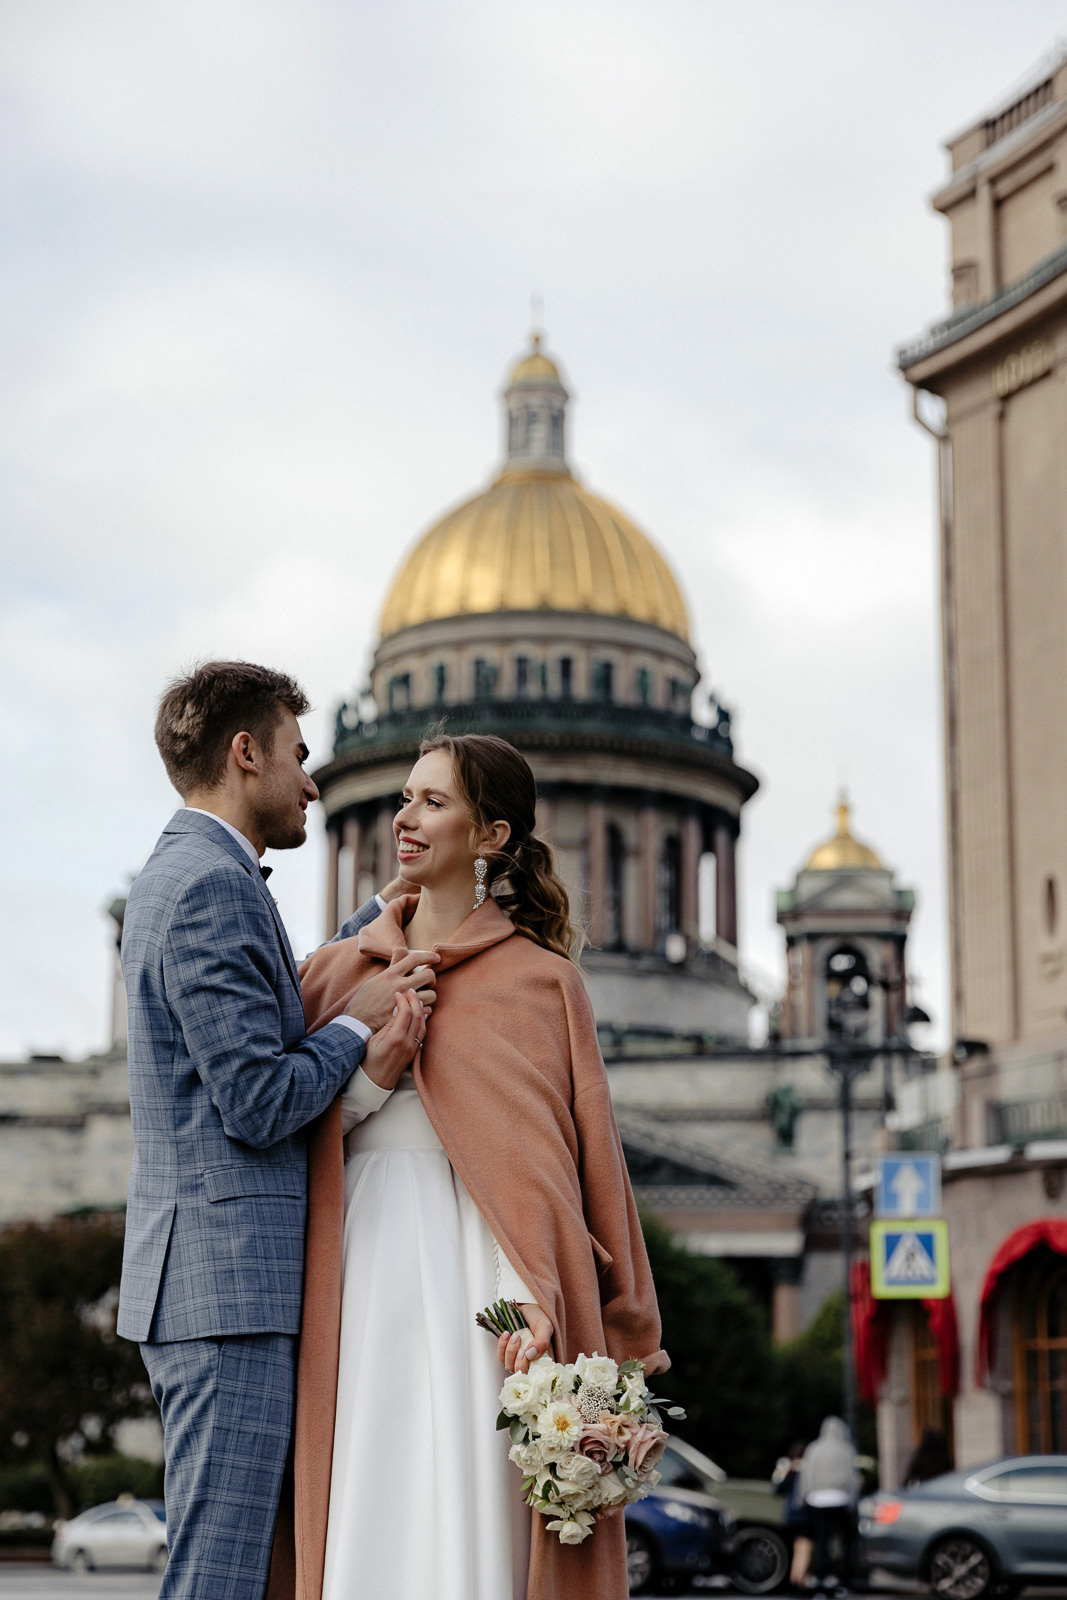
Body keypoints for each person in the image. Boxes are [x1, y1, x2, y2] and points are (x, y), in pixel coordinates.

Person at [279, 733, 668, 1600]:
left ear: (490, 836)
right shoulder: (333, 974)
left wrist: (546, 1303)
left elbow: (561, 1170)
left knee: (469, 1494)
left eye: (433, 801)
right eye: (405, 798)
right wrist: (374, 1080)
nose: (405, 818)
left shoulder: (541, 983)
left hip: (483, 1292)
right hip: (361, 1266)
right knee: (369, 1480)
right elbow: (288, 1137)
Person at [117, 661, 437, 1600]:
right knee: (222, 1576)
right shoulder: (208, 888)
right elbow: (257, 1096)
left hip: (217, 1287)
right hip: (228, 1296)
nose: (312, 784)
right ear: (244, 753)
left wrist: (370, 921)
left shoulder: (199, 873)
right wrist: (360, 1017)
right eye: (300, 758)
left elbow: (261, 1007)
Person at [797, 1417, 860, 1593]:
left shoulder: (814, 1448)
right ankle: (843, 1578)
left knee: (822, 1540)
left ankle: (821, 1577)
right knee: (846, 1540)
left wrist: (802, 1499)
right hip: (840, 1500)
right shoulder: (846, 1449)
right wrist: (853, 1501)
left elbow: (806, 1476)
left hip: (816, 1500)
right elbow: (852, 1479)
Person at [772, 1439, 811, 1589]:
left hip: (789, 1515)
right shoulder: (808, 1470)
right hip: (804, 1514)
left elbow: (777, 1490)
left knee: (795, 1549)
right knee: (804, 1548)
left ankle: (794, 1578)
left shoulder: (789, 1470)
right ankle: (799, 1580)